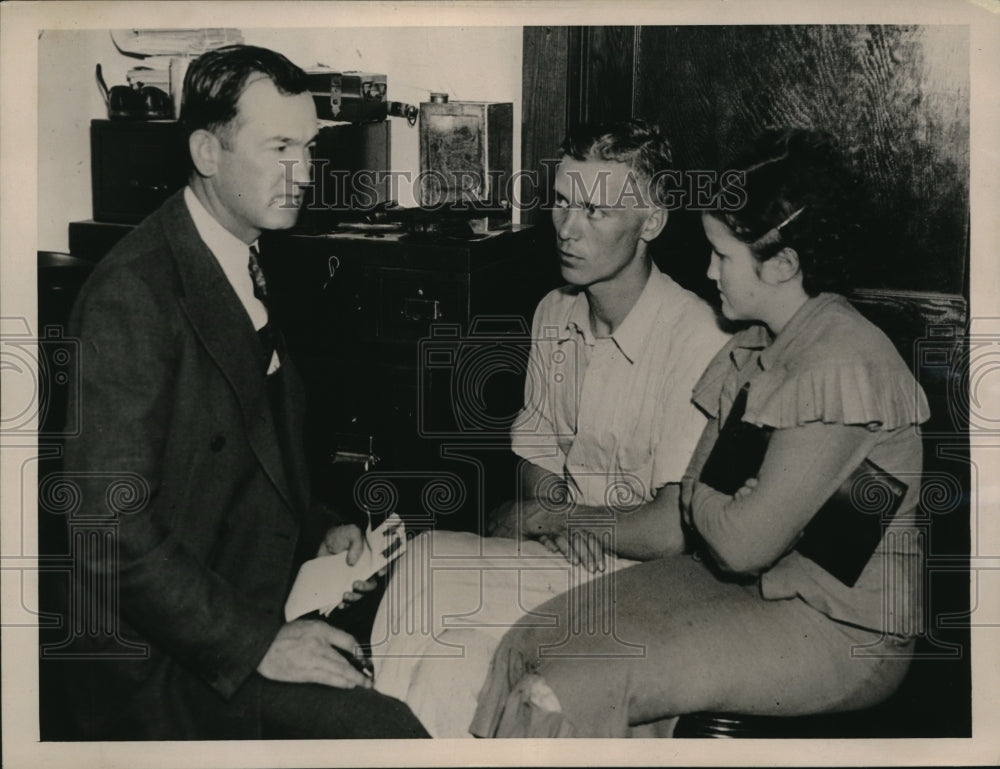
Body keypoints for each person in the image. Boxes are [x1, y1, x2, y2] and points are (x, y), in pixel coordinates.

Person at [470, 128, 931, 738]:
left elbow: (735, 539)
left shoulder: (842, 363)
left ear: (784, 263)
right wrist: (726, 503)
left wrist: (718, 502)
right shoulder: (756, 342)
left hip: (840, 628)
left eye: (723, 255)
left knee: (568, 683)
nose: (707, 268)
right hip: (755, 587)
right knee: (533, 638)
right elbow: (714, 515)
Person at [61, 44, 428, 740]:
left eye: (311, 147)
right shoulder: (131, 295)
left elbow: (240, 458)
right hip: (163, 659)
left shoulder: (245, 251)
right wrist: (260, 642)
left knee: (428, 637)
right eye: (280, 146)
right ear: (207, 151)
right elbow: (105, 531)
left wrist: (318, 526)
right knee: (385, 731)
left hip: (248, 599)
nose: (304, 172)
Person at [369, 119, 729, 737]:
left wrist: (551, 517)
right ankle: (377, 737)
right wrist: (556, 510)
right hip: (566, 550)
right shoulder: (555, 310)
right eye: (562, 201)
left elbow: (671, 528)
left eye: (595, 209)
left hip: (647, 583)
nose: (567, 227)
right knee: (429, 575)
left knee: (451, 639)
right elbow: (537, 451)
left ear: (651, 222)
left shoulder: (697, 338)